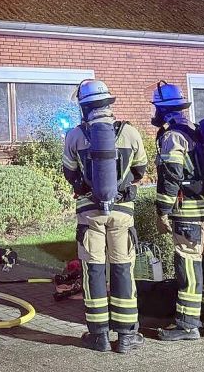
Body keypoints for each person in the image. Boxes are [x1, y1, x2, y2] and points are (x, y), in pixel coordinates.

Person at [62, 79, 150, 353]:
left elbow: (69, 172)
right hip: (122, 214)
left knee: (94, 270)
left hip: (90, 215)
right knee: (123, 269)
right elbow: (140, 170)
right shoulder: (130, 133)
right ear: (108, 104)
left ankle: (98, 335)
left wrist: (86, 187)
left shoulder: (75, 135)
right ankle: (126, 337)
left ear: (85, 107)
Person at [151, 81, 204, 341]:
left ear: (163, 110)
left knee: (188, 263)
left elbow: (171, 175)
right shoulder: (195, 131)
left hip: (188, 214)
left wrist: (162, 210)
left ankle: (187, 324)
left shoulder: (173, 135)